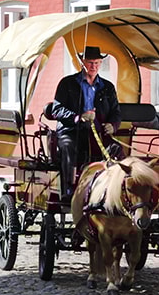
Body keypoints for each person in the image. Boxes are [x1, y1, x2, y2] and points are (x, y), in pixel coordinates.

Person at [50, 46, 122, 202]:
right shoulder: (67, 83)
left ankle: (111, 189)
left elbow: (116, 112)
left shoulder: (107, 87)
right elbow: (56, 109)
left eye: (97, 63)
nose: (94, 66)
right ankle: (69, 190)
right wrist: (78, 118)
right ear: (82, 62)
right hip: (71, 131)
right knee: (68, 146)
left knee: (116, 149)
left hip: (97, 133)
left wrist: (113, 125)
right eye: (90, 62)